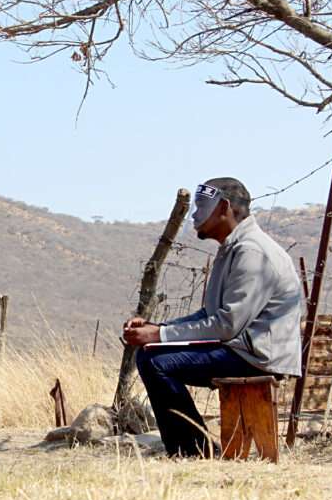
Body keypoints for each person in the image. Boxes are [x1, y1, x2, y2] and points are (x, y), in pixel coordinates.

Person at [123, 178, 303, 457]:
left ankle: (194, 451)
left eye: (201, 206)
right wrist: (157, 328)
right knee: (152, 353)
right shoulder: (233, 248)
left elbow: (227, 326)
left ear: (223, 207)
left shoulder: (251, 251)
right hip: (242, 348)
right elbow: (210, 316)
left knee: (155, 360)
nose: (195, 214)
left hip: (257, 355)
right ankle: (193, 447)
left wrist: (159, 336)